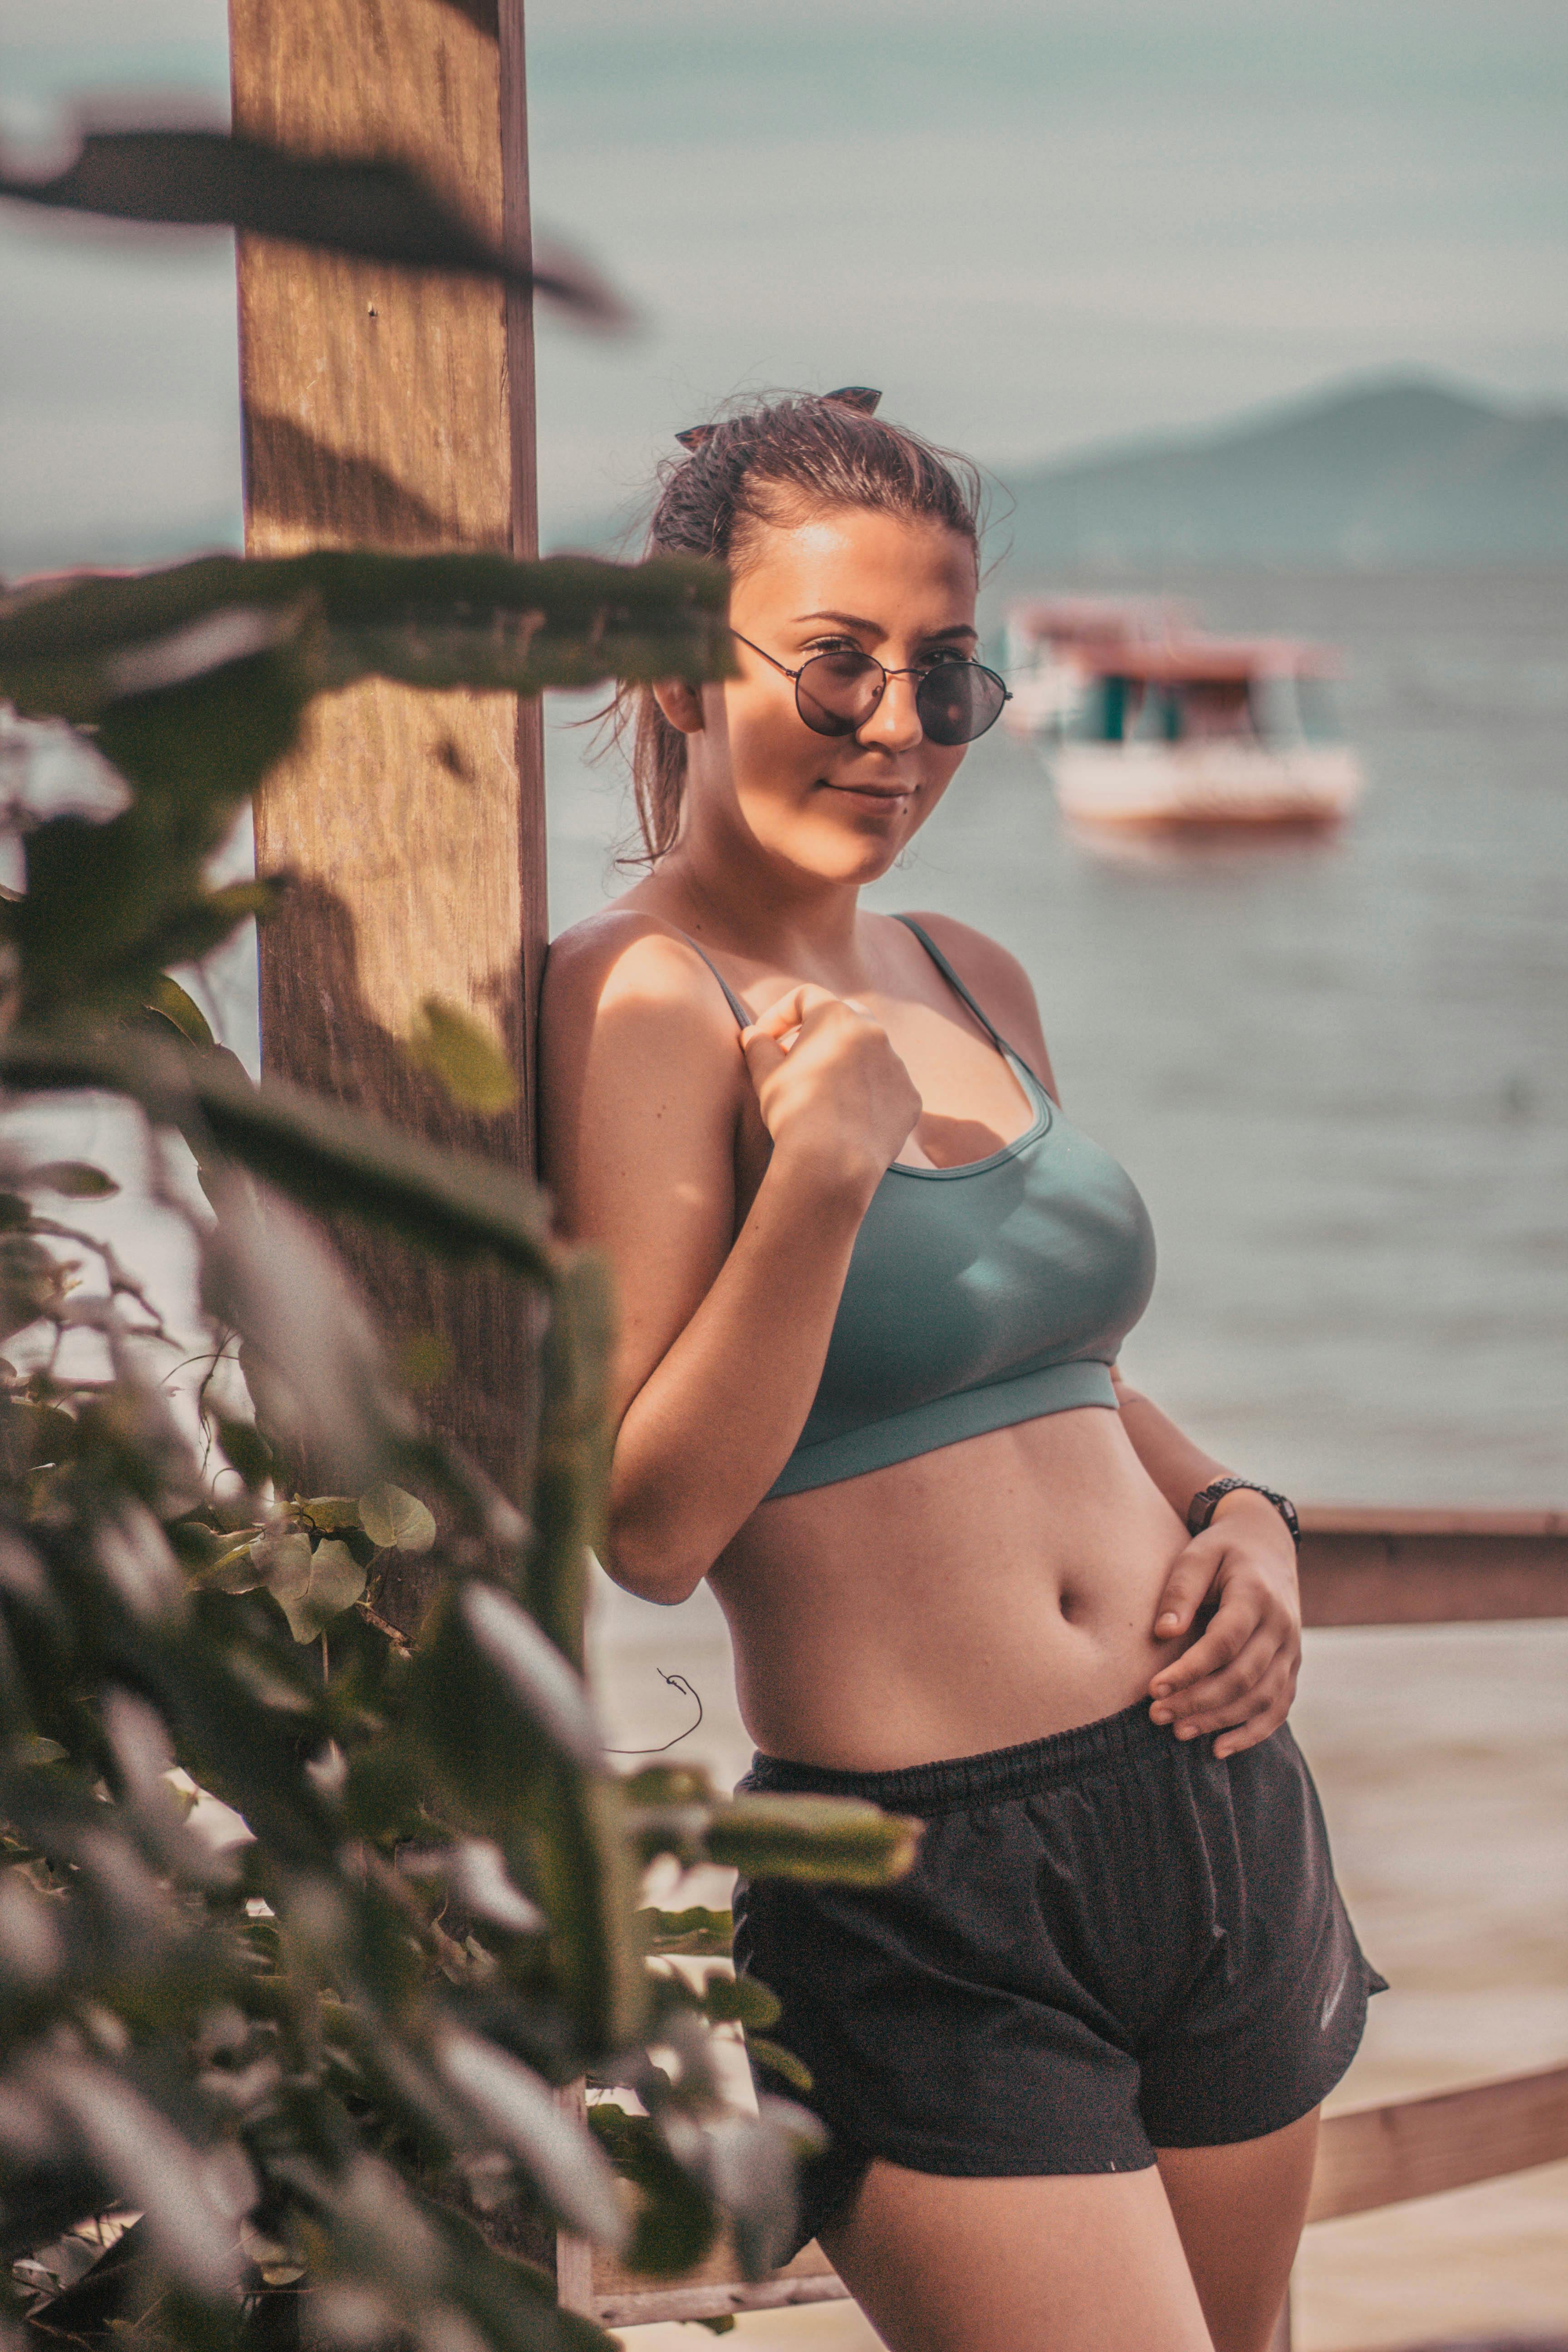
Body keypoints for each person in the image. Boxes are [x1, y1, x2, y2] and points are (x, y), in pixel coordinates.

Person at [539, 389, 1382, 2352]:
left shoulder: (967, 969)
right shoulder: (642, 993)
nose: (899, 730)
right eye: (836, 669)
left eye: (945, 677)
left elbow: (1073, 1381)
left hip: (1217, 1804)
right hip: (927, 1893)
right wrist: (817, 1179)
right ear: (681, 662)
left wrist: (1245, 1517)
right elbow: (652, 1523)